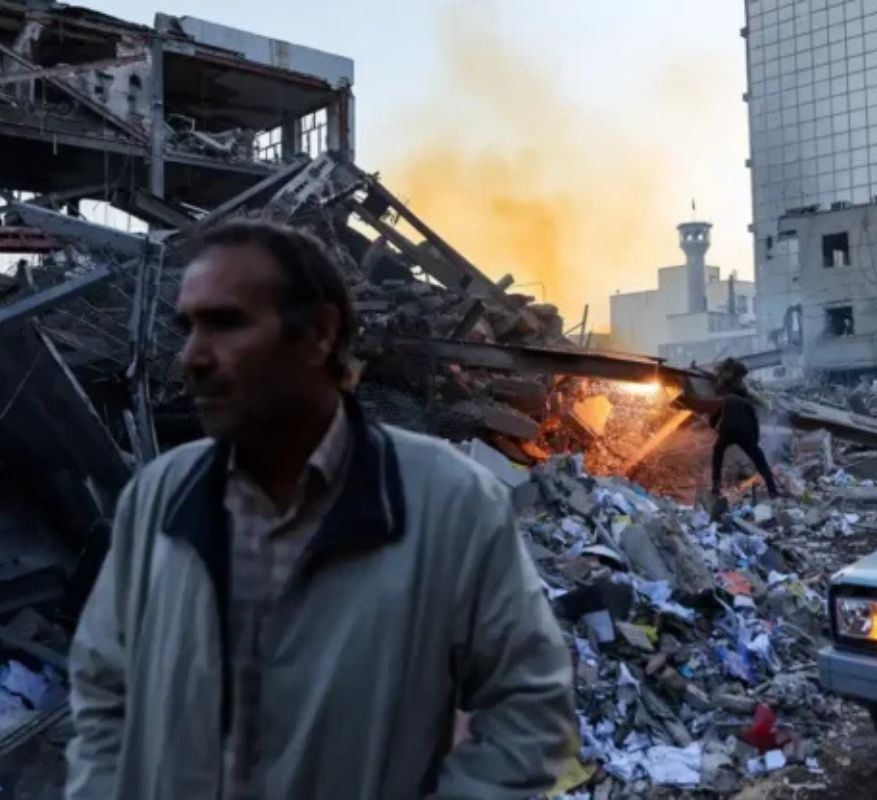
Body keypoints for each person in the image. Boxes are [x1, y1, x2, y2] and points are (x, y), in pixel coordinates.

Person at [66, 220, 573, 799]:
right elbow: (104, 682)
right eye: (188, 328)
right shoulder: (159, 495)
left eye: (226, 324)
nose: (192, 358)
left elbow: (530, 704)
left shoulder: (448, 500)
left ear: (319, 336)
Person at [710, 384, 779, 499]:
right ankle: (772, 489)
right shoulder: (749, 405)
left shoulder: (727, 399)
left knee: (717, 453)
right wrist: (755, 442)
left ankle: (715, 487)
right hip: (745, 434)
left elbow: (714, 418)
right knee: (759, 460)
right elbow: (755, 425)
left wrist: (714, 427)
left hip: (727, 431)